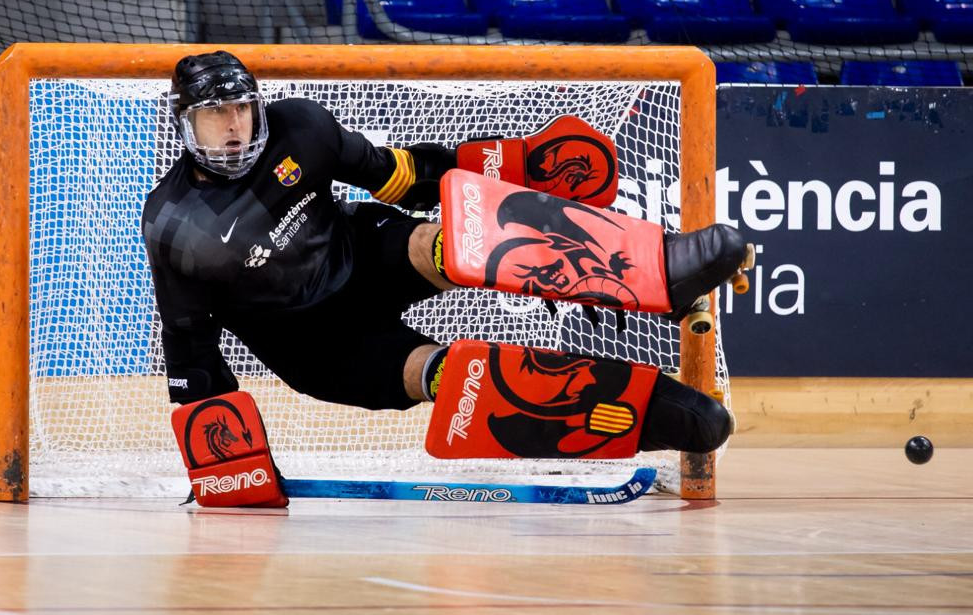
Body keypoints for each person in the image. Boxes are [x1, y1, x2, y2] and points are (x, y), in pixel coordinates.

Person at [143, 50, 742, 466]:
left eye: (241, 108)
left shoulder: (298, 127)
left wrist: (506, 166)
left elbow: (394, 175)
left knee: (452, 237)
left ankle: (656, 267)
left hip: (359, 252)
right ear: (186, 124)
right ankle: (646, 415)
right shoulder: (175, 225)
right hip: (311, 344)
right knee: (451, 375)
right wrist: (227, 463)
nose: (235, 126)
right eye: (216, 114)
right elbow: (191, 346)